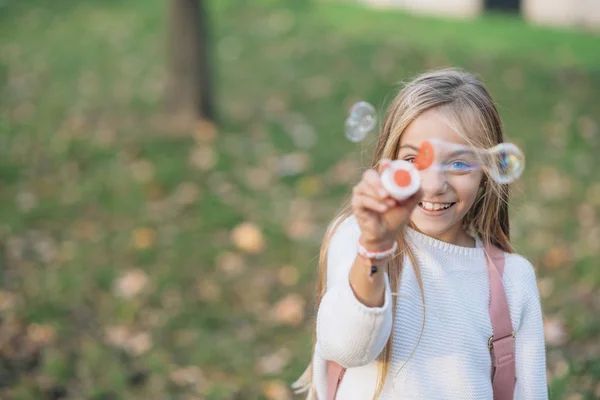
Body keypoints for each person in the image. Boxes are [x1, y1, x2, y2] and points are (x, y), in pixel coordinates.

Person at [292, 69, 548, 399]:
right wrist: (375, 245)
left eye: (459, 164)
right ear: (389, 165)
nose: (433, 184)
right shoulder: (357, 237)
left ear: (487, 173)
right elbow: (347, 349)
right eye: (414, 159)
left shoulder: (513, 281)